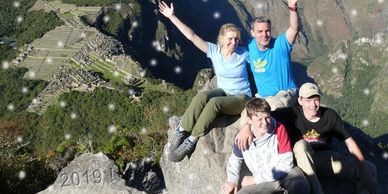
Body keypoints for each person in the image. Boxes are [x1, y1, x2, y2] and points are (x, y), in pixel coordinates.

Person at [236, 82, 378, 194]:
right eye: (308, 100)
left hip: (323, 160)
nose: (313, 104)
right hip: (298, 164)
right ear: (300, 100)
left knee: (370, 169)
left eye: (315, 99)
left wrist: (364, 172)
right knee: (301, 146)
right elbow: (260, 114)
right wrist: (246, 127)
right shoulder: (291, 114)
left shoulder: (330, 116)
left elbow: (350, 142)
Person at [159, 1, 252, 162]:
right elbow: (192, 36)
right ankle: (181, 130)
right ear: (222, 39)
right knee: (202, 97)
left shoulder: (244, 53)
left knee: (214, 103)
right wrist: (172, 17)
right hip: (223, 91)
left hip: (241, 97)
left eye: (236, 39)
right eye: (230, 39)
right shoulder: (214, 51)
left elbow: (262, 55)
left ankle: (191, 140)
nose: (234, 42)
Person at [220, 98, 310, 194]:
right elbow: (235, 159)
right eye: (259, 119)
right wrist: (232, 180)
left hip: (285, 175)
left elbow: (287, 164)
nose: (265, 122)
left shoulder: (279, 129)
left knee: (301, 186)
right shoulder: (242, 138)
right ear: (249, 120)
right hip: (262, 183)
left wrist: (255, 179)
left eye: (267, 117)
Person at [236, 0, 300, 129]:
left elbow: (294, 28)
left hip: (284, 94)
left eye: (267, 31)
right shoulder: (250, 46)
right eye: (260, 31)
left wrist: (292, 7)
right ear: (253, 33)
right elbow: (231, 46)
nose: (264, 35)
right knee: (244, 117)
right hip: (263, 97)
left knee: (266, 114)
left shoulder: (281, 45)